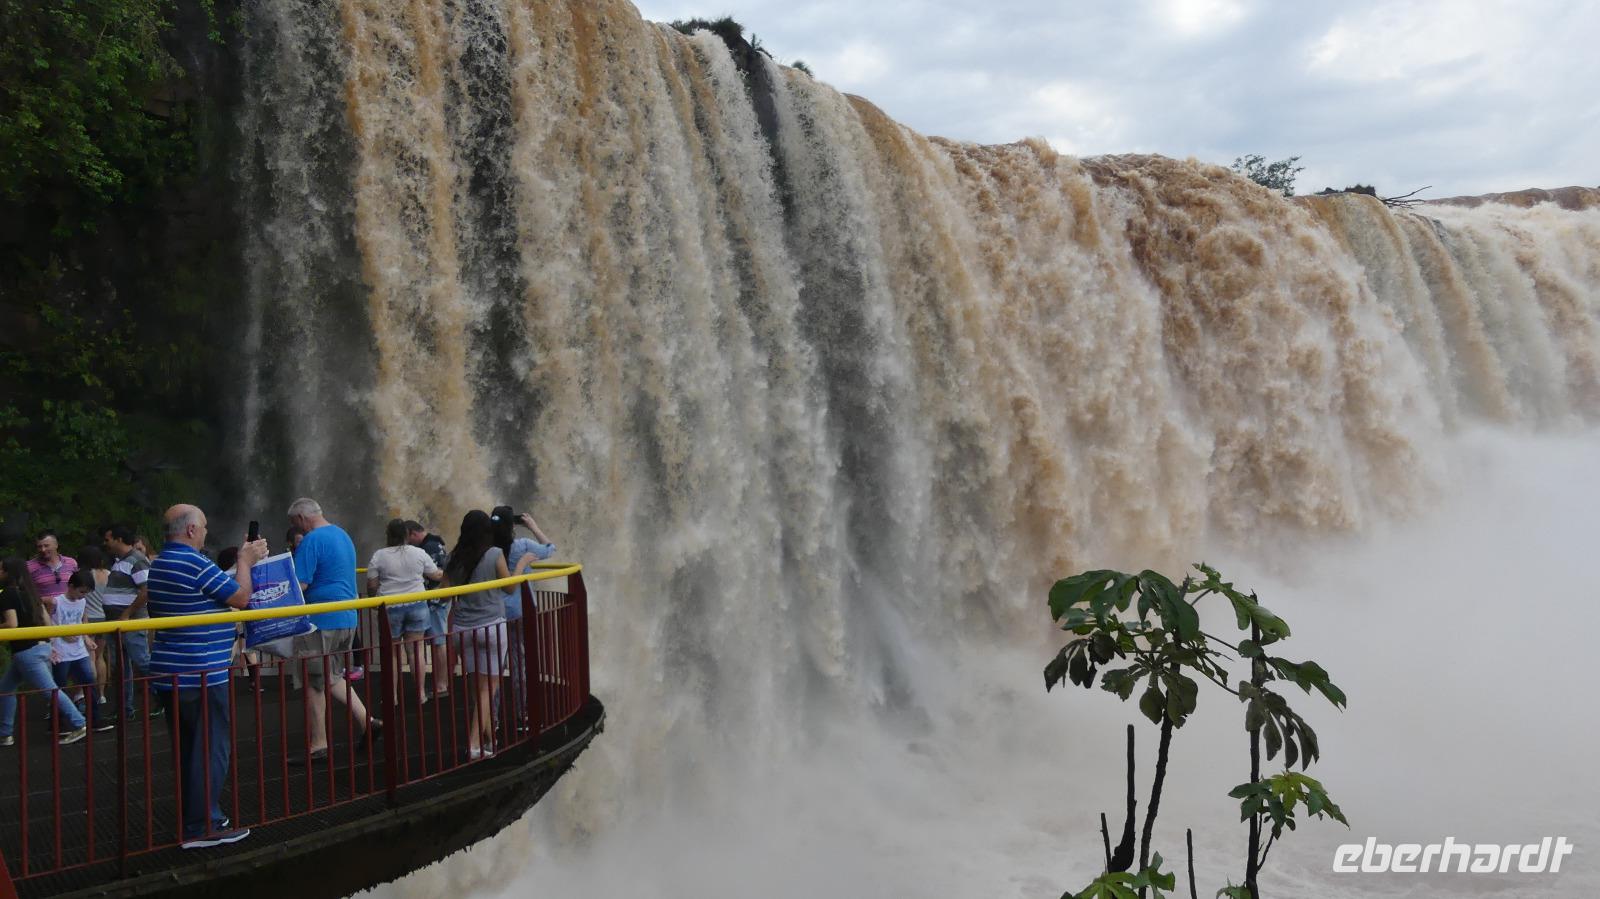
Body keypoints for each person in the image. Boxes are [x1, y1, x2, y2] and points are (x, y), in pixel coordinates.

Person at [146, 504, 263, 848]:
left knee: (189, 749)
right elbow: (241, 598)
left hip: (170, 672)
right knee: (212, 748)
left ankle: (194, 818)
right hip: (201, 673)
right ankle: (203, 827)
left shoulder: (160, 564)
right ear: (192, 530)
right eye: (206, 527)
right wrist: (245, 562)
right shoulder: (194, 563)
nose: (208, 533)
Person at [286, 497, 378, 761]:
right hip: (347, 618)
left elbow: (300, 585)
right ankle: (368, 722)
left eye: (295, 524)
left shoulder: (312, 540)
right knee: (332, 676)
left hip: (321, 621)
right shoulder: (342, 534)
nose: (297, 529)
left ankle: (319, 745)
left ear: (302, 519)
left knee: (313, 682)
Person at [0, 557, 88, 746]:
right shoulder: (30, 593)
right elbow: (47, 623)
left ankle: (79, 723)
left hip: (26, 651)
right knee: (5, 689)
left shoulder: (7, 594)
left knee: (51, 691)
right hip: (39, 646)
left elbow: (12, 624)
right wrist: (49, 645)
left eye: (1, 569)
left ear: (8, 573)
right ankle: (5, 733)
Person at [443, 510, 509, 759]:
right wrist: (522, 565)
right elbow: (510, 587)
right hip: (491, 627)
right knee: (487, 689)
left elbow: (444, 594)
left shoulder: (454, 557)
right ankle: (473, 745)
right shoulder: (494, 555)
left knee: (478, 689)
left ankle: (491, 740)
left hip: (463, 629)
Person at [366, 518, 443, 708]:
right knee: (416, 651)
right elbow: (435, 575)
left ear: (388, 535)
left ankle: (392, 697)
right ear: (406, 535)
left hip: (390, 606)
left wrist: (372, 599)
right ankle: (421, 694)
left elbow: (372, 585)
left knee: (391, 653)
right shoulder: (419, 552)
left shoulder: (379, 556)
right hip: (417, 604)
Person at [102, 524, 157, 719]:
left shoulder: (137, 560)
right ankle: (125, 709)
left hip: (131, 622)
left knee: (142, 662)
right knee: (121, 668)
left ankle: (168, 696)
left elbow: (147, 590)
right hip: (116, 623)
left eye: (108, 539)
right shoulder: (119, 562)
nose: (105, 543)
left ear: (118, 539)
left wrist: (127, 613)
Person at [49, 571, 113, 732]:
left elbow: (82, 621)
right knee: (59, 686)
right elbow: (46, 621)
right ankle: (57, 722)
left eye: (85, 592)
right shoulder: (56, 602)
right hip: (61, 649)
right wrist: (61, 633)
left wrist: (86, 638)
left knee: (89, 682)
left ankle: (94, 718)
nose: (83, 595)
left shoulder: (82, 602)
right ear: (71, 586)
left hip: (78, 649)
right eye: (81, 591)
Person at [406, 520, 452, 697]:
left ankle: (442, 685)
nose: (409, 544)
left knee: (438, 642)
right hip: (437, 600)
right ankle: (441, 682)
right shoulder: (435, 543)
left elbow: (434, 574)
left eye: (409, 539)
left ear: (413, 533)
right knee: (437, 641)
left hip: (435, 602)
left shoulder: (430, 546)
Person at [77, 545, 111, 700]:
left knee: (90, 656)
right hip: (104, 618)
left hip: (88, 619)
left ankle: (88, 693)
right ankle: (102, 694)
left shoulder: (83, 575)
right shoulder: (108, 574)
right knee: (100, 656)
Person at [27, 531, 78, 607]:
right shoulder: (29, 566)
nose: (43, 549)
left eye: (46, 546)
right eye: (39, 546)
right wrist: (44, 600)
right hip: (44, 615)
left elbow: (79, 589)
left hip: (69, 614)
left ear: (56, 545)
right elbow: (25, 595)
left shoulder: (71, 563)